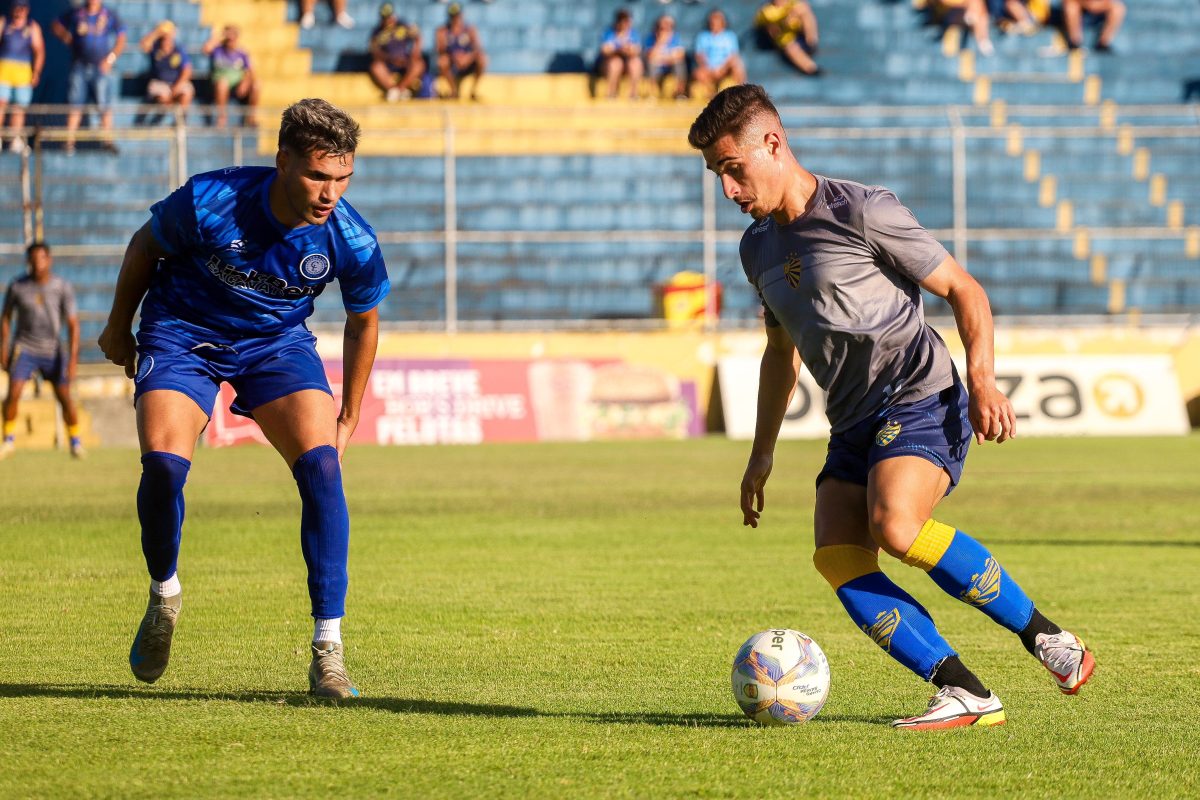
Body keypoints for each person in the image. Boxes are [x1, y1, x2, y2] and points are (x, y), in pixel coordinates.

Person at [688, 85, 1094, 730]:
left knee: (896, 526)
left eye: (733, 169)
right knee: (837, 555)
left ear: (773, 143)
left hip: (922, 394)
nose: (729, 189)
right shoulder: (756, 249)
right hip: (851, 422)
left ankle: (1046, 637)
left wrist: (984, 380)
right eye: (717, 175)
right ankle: (963, 689)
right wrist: (761, 453)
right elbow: (780, 352)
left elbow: (965, 289)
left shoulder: (861, 210)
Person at [97, 98, 390, 698]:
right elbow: (143, 247)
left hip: (274, 345)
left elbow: (364, 321)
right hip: (182, 333)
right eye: (317, 175)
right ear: (282, 161)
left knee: (323, 469)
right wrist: (116, 326)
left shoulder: (351, 238)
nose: (330, 193)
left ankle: (328, 652)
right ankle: (164, 596)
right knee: (163, 468)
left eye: (343, 178)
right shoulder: (211, 200)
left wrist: (350, 414)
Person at [1, 242, 83, 460]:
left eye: (42, 258)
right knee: (14, 394)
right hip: (25, 347)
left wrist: (73, 359)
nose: (38, 263)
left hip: (53, 350)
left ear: (49, 260)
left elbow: (73, 324)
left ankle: (75, 441)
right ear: (28, 261)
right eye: (33, 259)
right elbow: (6, 318)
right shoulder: (17, 286)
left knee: (64, 397)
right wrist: (3, 348)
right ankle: (8, 440)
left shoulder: (61, 286)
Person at [51, 0, 126, 154]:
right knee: (75, 104)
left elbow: (121, 37)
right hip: (79, 65)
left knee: (104, 104)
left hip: (100, 67)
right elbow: (56, 25)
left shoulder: (109, 15)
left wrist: (110, 59)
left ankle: (108, 141)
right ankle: (69, 142)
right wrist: (68, 38)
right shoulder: (77, 13)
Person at [0, 0, 43, 155]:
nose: (19, 12)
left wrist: (36, 71)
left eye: (22, 8)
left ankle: (14, 139)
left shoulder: (32, 27)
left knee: (19, 108)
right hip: (3, 71)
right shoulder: (4, 23)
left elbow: (39, 51)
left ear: (27, 10)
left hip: (22, 74)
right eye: (17, 8)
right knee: (1, 105)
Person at [203, 26, 260, 129]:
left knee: (257, 85)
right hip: (219, 83)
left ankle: (251, 117)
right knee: (222, 83)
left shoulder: (242, 53)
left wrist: (245, 82)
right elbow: (205, 49)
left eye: (233, 36)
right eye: (228, 37)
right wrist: (218, 37)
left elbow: (251, 72)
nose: (230, 40)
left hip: (237, 84)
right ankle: (222, 117)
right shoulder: (217, 50)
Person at [369, 3, 426, 102]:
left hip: (405, 60)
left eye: (389, 17)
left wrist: (414, 53)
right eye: (385, 18)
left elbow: (417, 37)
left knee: (419, 64)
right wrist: (390, 58)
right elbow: (375, 51)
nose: (387, 20)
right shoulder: (377, 32)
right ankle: (395, 89)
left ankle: (399, 89)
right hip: (388, 62)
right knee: (375, 67)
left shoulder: (403, 26)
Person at [138, 21, 194, 120]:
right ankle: (159, 121)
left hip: (176, 82)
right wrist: (157, 32)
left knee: (187, 92)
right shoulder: (155, 48)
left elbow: (187, 70)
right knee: (162, 97)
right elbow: (143, 45)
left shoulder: (179, 50)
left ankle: (180, 123)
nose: (166, 39)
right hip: (159, 83)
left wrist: (177, 86)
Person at [436, 3, 487, 101]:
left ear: (461, 15)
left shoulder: (470, 30)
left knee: (482, 59)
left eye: (457, 15)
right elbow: (440, 49)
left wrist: (468, 57)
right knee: (442, 61)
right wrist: (454, 57)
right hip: (453, 64)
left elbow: (477, 48)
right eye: (453, 16)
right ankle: (454, 91)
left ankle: (473, 91)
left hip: (467, 63)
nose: (455, 19)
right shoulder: (442, 31)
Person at [754, 0, 821, 75]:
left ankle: (812, 40)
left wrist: (794, 16)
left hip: (801, 36)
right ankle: (811, 68)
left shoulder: (795, 4)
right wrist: (782, 24)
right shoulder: (767, 11)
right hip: (785, 40)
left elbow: (807, 15)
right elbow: (772, 32)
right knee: (791, 48)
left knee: (805, 14)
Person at [692, 9, 745, 99]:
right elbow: (699, 55)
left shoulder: (730, 36)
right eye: (713, 20)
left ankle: (742, 93)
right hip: (708, 69)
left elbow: (733, 56)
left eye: (717, 19)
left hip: (724, 69)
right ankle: (710, 93)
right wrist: (709, 68)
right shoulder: (702, 36)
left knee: (737, 65)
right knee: (697, 73)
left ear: (723, 22)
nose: (715, 22)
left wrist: (722, 69)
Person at [599, 8, 643, 100]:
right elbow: (605, 50)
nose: (627, 25)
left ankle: (633, 93)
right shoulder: (609, 32)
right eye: (625, 22)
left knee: (635, 63)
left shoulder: (633, 33)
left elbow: (637, 51)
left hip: (628, 64)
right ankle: (611, 92)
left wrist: (627, 50)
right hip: (609, 64)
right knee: (616, 62)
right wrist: (619, 49)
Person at [643, 14, 687, 100]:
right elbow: (650, 56)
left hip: (669, 66)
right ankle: (652, 93)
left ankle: (680, 93)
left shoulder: (675, 37)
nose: (665, 30)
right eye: (661, 28)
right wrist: (660, 42)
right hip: (656, 67)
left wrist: (662, 59)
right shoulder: (650, 38)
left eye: (668, 27)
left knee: (679, 64)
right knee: (651, 63)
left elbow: (680, 55)